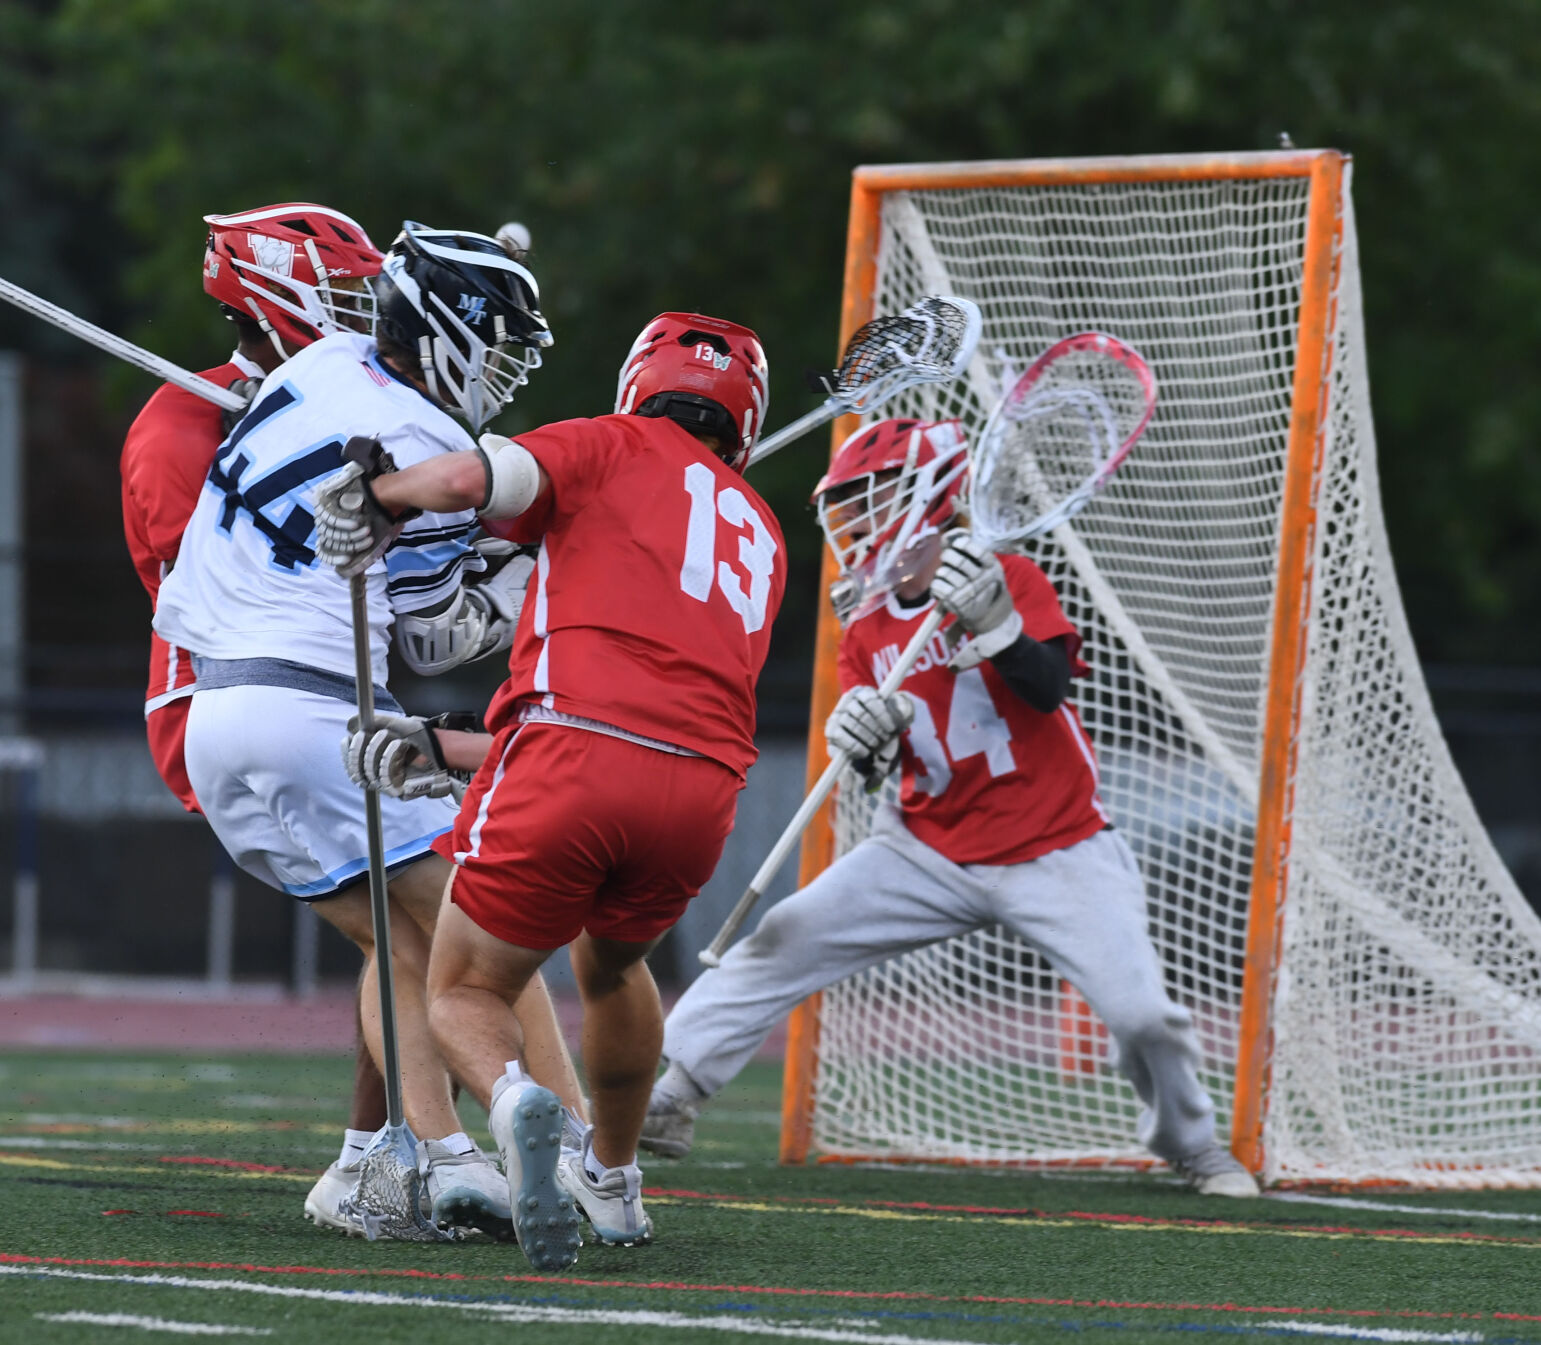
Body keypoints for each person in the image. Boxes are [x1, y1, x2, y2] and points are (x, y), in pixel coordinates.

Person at [639, 416, 1260, 1199]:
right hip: (924, 846)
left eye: (867, 498)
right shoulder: (863, 617)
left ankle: (1191, 1143)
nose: (852, 519)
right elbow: (879, 763)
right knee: (782, 935)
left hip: (1055, 844)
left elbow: (1047, 690)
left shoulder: (1008, 576)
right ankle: (671, 1096)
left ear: (922, 494)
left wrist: (996, 626)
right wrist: (861, 734)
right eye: (846, 503)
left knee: (1142, 1016)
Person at [313, 310, 784, 1269]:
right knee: (612, 970)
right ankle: (611, 1182)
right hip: (702, 790)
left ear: (635, 383)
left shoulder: (606, 442)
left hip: (571, 754)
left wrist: (380, 493)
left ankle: (517, 1099)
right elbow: (649, 714)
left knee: (463, 986)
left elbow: (476, 479)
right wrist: (447, 748)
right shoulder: (763, 530)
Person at [152, 220, 586, 1239]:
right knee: (483, 936)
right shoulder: (433, 444)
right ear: (445, 330)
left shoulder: (322, 360)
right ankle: (576, 1154)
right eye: (504, 341)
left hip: (214, 713)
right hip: (311, 708)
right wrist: (523, 574)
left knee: (391, 938)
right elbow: (436, 643)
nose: (511, 368)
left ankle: (415, 1162)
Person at [118, 201, 403, 1214]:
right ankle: (392, 1156)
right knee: (425, 931)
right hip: (227, 694)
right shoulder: (183, 423)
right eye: (339, 293)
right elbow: (202, 593)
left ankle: (381, 1153)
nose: (360, 313)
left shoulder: (338, 394)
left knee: (413, 933)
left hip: (324, 684)